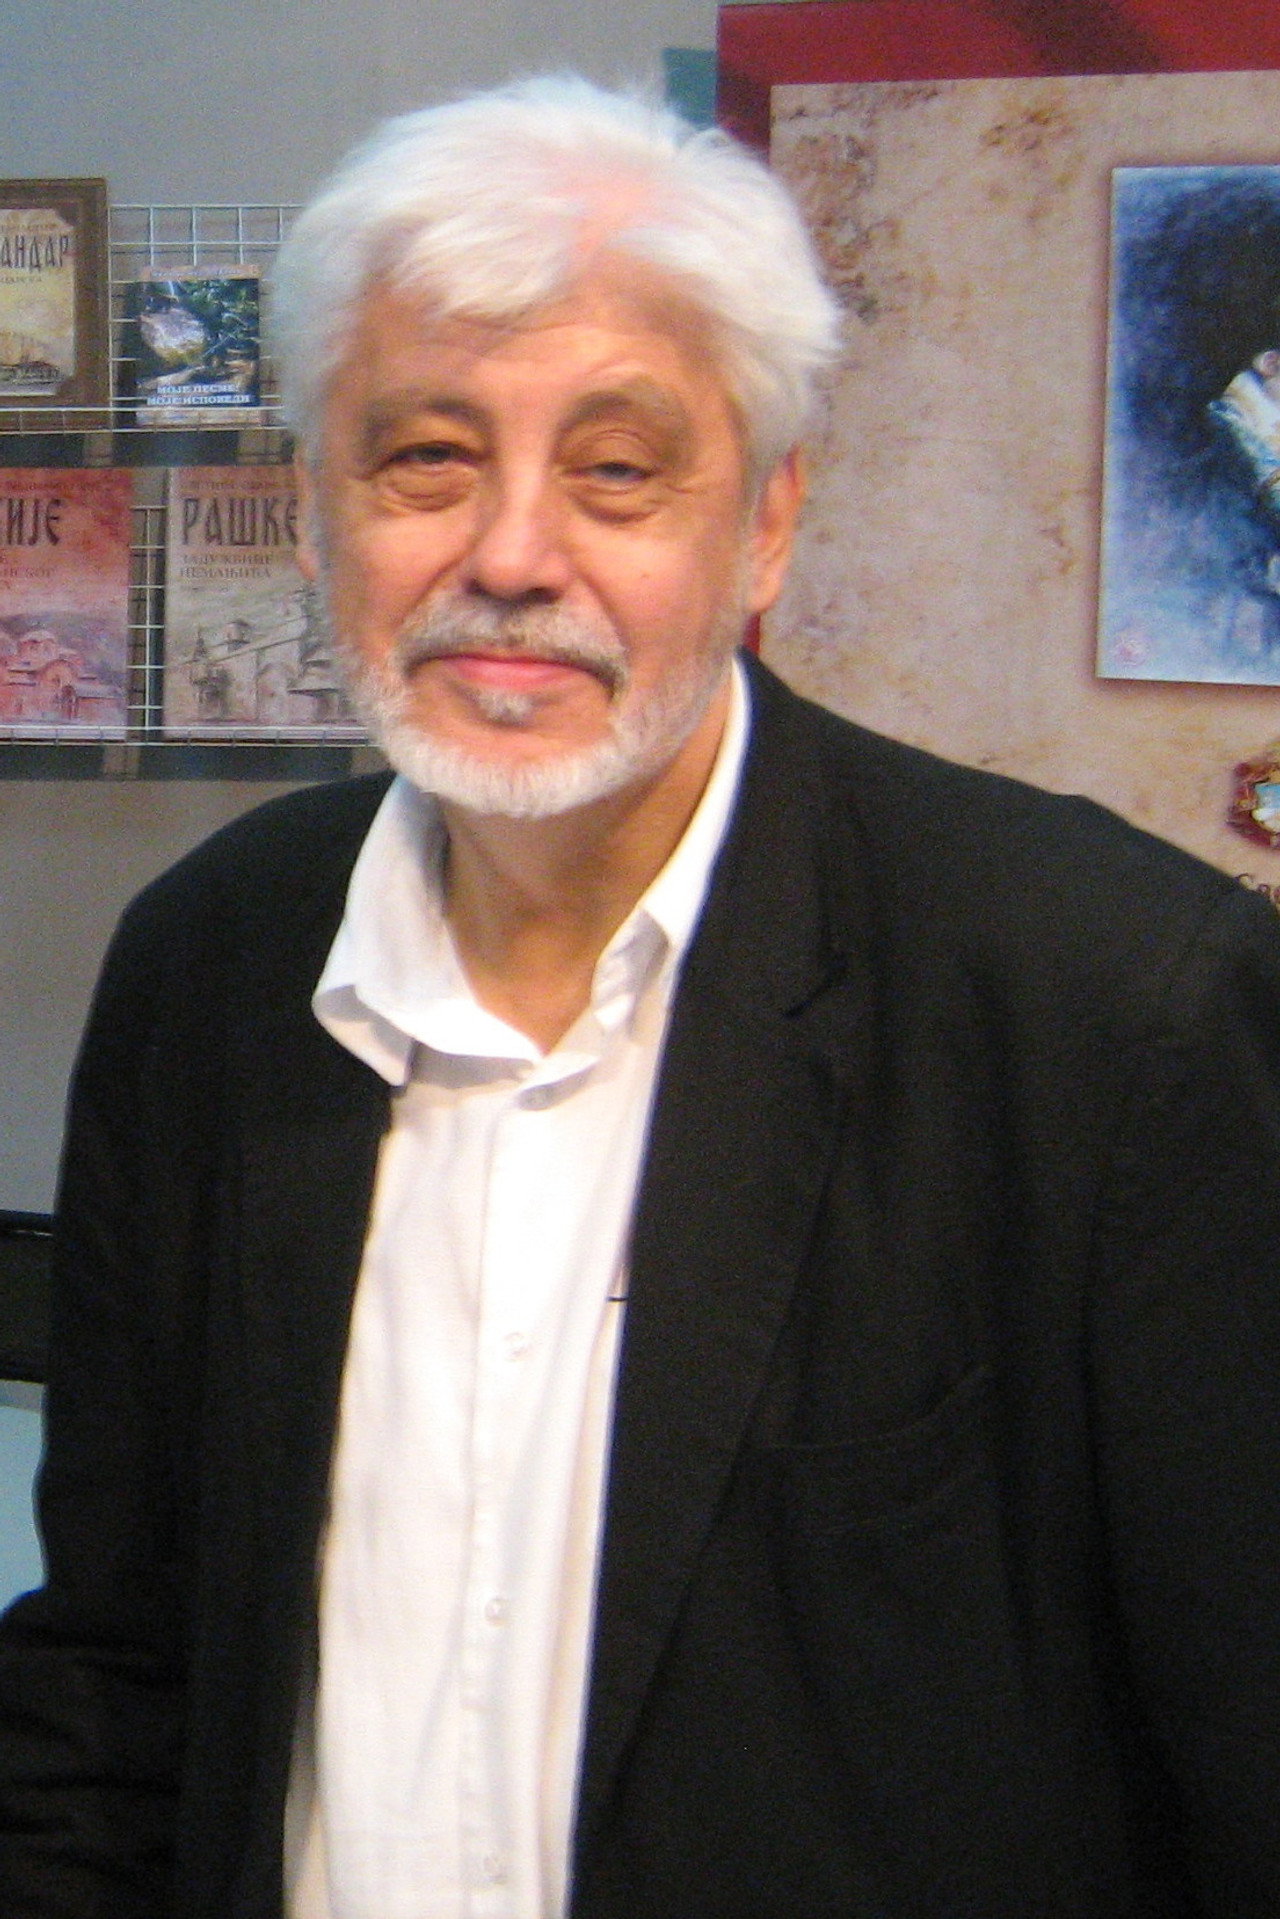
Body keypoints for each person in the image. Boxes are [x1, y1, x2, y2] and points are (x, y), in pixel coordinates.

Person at [2, 75, 1280, 1919]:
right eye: (425, 458)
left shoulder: (1113, 1010)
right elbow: (110, 1675)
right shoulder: (212, 965)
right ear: (314, 513)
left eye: (617, 469)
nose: (513, 556)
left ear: (764, 526)